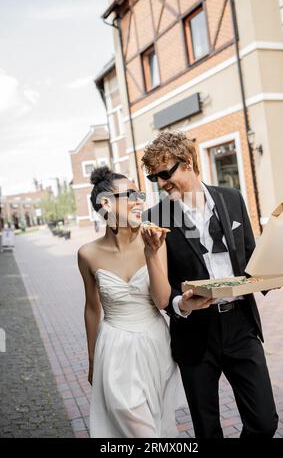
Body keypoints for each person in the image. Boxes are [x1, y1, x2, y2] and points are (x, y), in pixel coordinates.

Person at [142, 131, 278, 439]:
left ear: (187, 162)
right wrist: (181, 305)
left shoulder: (231, 198)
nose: (161, 183)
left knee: (264, 422)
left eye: (166, 173)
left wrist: (276, 271)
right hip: (194, 334)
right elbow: (161, 287)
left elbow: (250, 254)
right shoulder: (156, 217)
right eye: (155, 179)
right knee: (207, 430)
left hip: (241, 325)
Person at [77, 166, 187, 438]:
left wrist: (152, 253)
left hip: (156, 345)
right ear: (106, 203)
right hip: (115, 348)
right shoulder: (87, 254)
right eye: (130, 194)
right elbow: (92, 308)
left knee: (159, 424)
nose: (140, 200)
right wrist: (93, 361)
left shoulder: (155, 238)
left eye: (140, 193)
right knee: (140, 428)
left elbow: (162, 300)